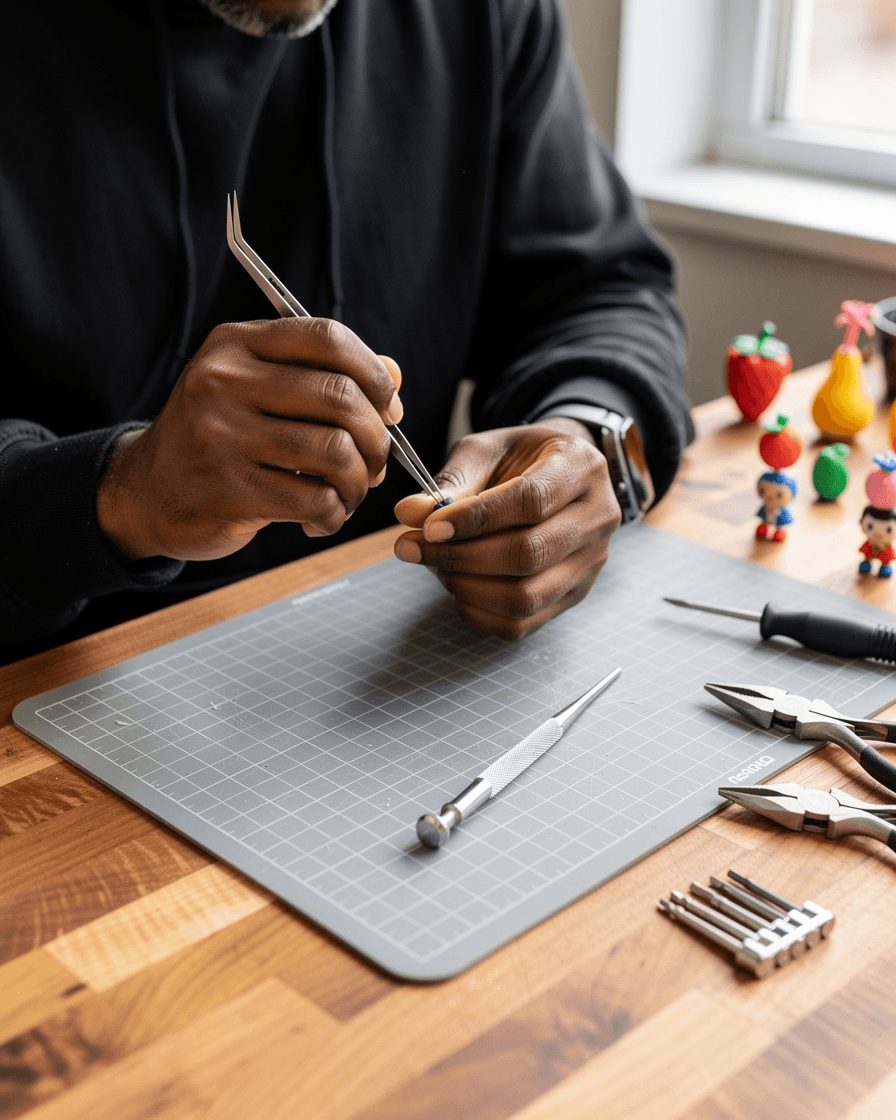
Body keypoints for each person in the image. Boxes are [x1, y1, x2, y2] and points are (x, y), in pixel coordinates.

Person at [0, 0, 692, 664]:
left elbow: (601, 290)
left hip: (388, 650)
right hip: (52, 682)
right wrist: (123, 494)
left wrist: (580, 437)